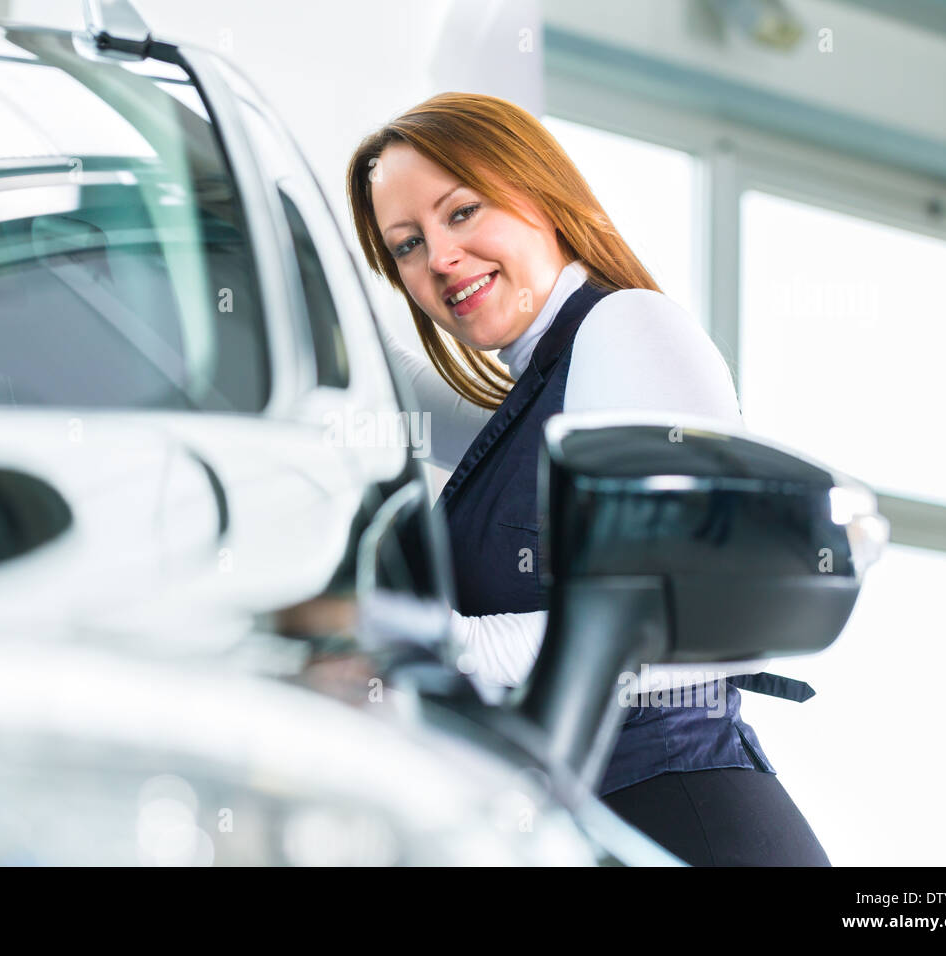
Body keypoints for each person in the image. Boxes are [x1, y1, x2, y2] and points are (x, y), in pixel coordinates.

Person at [345, 91, 830, 866]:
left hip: (682, 825)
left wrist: (420, 647)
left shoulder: (626, 327)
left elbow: (677, 621)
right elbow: (389, 390)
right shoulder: (543, 394)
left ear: (538, 190)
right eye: (406, 245)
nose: (437, 258)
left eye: (461, 212)